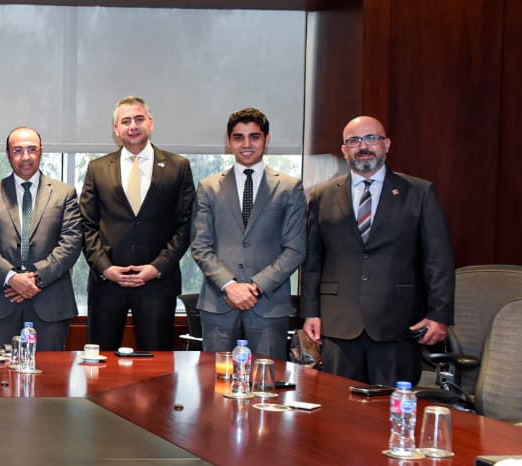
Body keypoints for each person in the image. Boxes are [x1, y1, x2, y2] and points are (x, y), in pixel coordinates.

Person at [302, 115, 454, 386]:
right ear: (344, 150)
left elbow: (438, 260)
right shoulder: (322, 195)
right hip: (338, 324)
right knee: (338, 406)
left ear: (387, 144)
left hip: (398, 323)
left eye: (371, 138)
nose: (363, 146)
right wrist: (310, 312)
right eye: (354, 141)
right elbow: (313, 260)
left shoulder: (419, 192)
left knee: (392, 406)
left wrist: (439, 315)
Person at [79, 96, 196, 351]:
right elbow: (87, 225)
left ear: (150, 123)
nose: (133, 126)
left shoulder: (178, 167)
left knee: (157, 364)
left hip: (157, 284)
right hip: (107, 284)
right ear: (116, 128)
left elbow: (186, 225)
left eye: (139, 119)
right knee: (100, 362)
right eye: (126, 121)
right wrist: (105, 268)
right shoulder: (97, 168)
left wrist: (157, 268)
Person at [189, 108, 306, 359]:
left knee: (267, 379)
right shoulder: (208, 187)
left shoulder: (289, 188)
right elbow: (200, 245)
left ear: (266, 139)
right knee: (216, 379)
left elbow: (295, 249)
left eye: (254, 136)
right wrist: (230, 286)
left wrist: (255, 287)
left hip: (268, 305)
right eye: (238, 137)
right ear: (229, 141)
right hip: (219, 303)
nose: (246, 144)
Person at [0, 127, 81, 350]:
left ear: (41, 151)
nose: (25, 157)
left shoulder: (65, 193)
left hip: (49, 303)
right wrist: (11, 278)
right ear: (8, 154)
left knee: (49, 371)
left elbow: (71, 243)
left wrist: (35, 279)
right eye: (18, 150)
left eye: (32, 149)